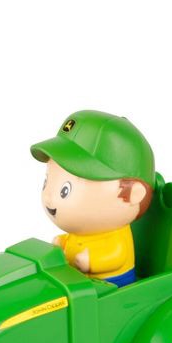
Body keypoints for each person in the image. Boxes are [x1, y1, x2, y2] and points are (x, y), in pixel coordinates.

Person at [31, 110, 154, 286]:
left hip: (111, 286)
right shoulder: (80, 232)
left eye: (65, 190)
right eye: (47, 181)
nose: (49, 198)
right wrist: (62, 242)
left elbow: (116, 256)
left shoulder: (117, 237)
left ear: (133, 194)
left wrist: (91, 262)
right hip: (80, 286)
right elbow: (74, 243)